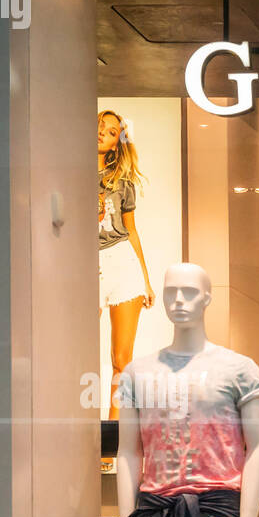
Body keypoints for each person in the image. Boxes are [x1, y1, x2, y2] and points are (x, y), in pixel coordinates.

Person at [98, 109, 154, 420]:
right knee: (75, 351)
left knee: (121, 359)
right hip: (84, 264)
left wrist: (145, 278)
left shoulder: (123, 180)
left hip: (122, 262)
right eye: (98, 126)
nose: (100, 133)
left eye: (108, 131)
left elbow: (130, 229)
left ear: (117, 142)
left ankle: (112, 435)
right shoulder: (73, 171)